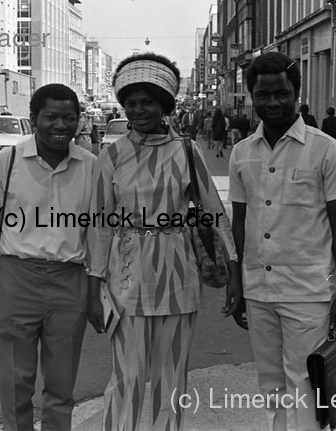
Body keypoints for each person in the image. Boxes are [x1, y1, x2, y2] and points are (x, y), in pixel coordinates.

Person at [86, 53, 241, 431]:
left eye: (148, 102)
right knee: (127, 377)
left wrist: (235, 270)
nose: (139, 110)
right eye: (132, 103)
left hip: (179, 276)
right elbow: (99, 224)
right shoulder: (111, 156)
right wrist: (93, 286)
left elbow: (213, 211)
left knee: (172, 379)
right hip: (125, 280)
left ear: (165, 105)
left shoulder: (187, 151)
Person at [0, 84, 97, 431]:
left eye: (69, 117)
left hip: (70, 282)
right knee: (15, 384)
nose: (60, 125)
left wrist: (96, 293)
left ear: (79, 121)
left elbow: (100, 235)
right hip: (17, 282)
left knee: (61, 387)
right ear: (33, 120)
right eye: (51, 117)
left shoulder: (92, 167)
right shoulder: (7, 162)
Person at [229, 52, 336, 431]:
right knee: (272, 385)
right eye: (263, 95)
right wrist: (236, 281)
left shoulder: (327, 150)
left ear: (296, 94)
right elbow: (239, 223)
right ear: (252, 96)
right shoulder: (241, 154)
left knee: (304, 385)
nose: (273, 103)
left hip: (307, 292)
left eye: (281, 93)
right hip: (258, 288)